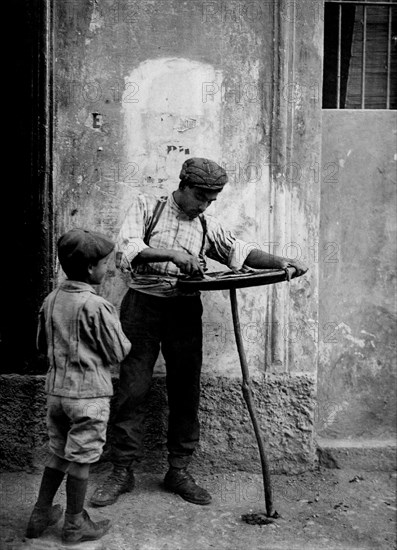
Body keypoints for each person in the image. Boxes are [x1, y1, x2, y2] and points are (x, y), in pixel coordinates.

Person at [90, 157, 308, 508]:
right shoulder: (148, 207)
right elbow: (128, 249)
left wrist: (281, 261)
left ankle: (179, 470)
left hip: (184, 310)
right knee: (132, 388)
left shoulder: (206, 224)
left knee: (186, 389)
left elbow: (240, 251)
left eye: (212, 199)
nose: (205, 205)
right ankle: (122, 470)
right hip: (141, 308)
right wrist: (174, 255)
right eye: (202, 197)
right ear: (184, 186)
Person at [26, 228, 131, 544]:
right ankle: (74, 523)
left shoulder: (51, 298)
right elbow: (118, 352)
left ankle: (41, 512)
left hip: (56, 393)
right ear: (89, 269)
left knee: (58, 451)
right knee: (82, 458)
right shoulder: (97, 306)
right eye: (104, 264)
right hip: (88, 395)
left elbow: (39, 343)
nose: (108, 269)